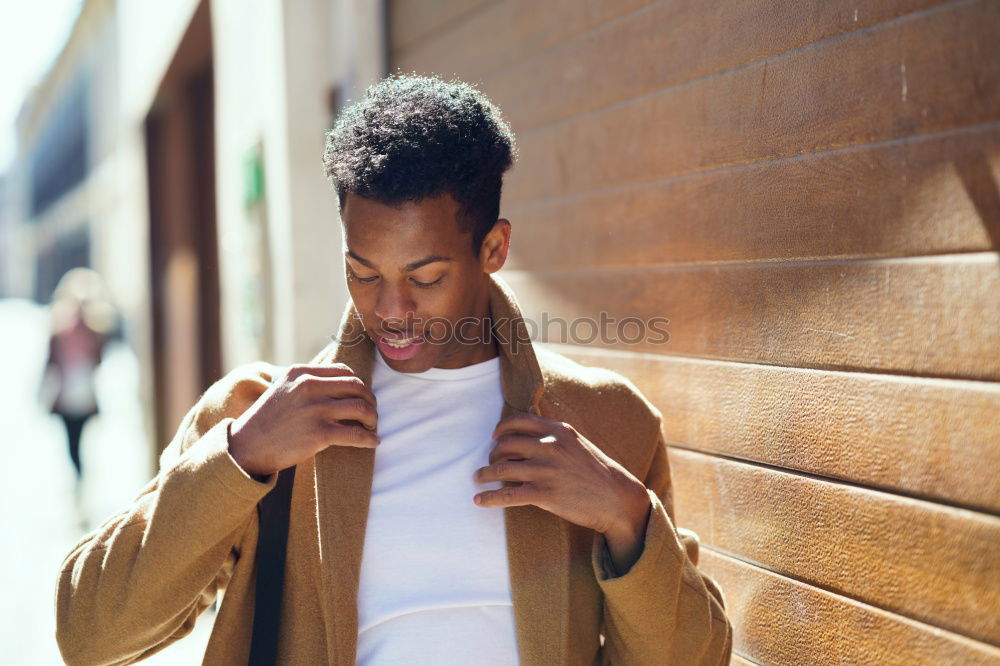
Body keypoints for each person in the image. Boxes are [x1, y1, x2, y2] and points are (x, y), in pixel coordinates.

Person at [55, 74, 732, 665]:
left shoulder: (606, 422)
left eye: (426, 276)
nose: (392, 310)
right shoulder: (261, 416)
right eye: (362, 272)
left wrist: (626, 517)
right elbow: (89, 635)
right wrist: (240, 458)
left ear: (493, 248)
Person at [40, 268, 119, 507]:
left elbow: (100, 360)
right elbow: (50, 362)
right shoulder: (58, 331)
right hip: (66, 397)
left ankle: (81, 482)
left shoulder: (95, 332)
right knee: (71, 443)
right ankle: (78, 481)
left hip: (84, 396)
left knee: (80, 441)